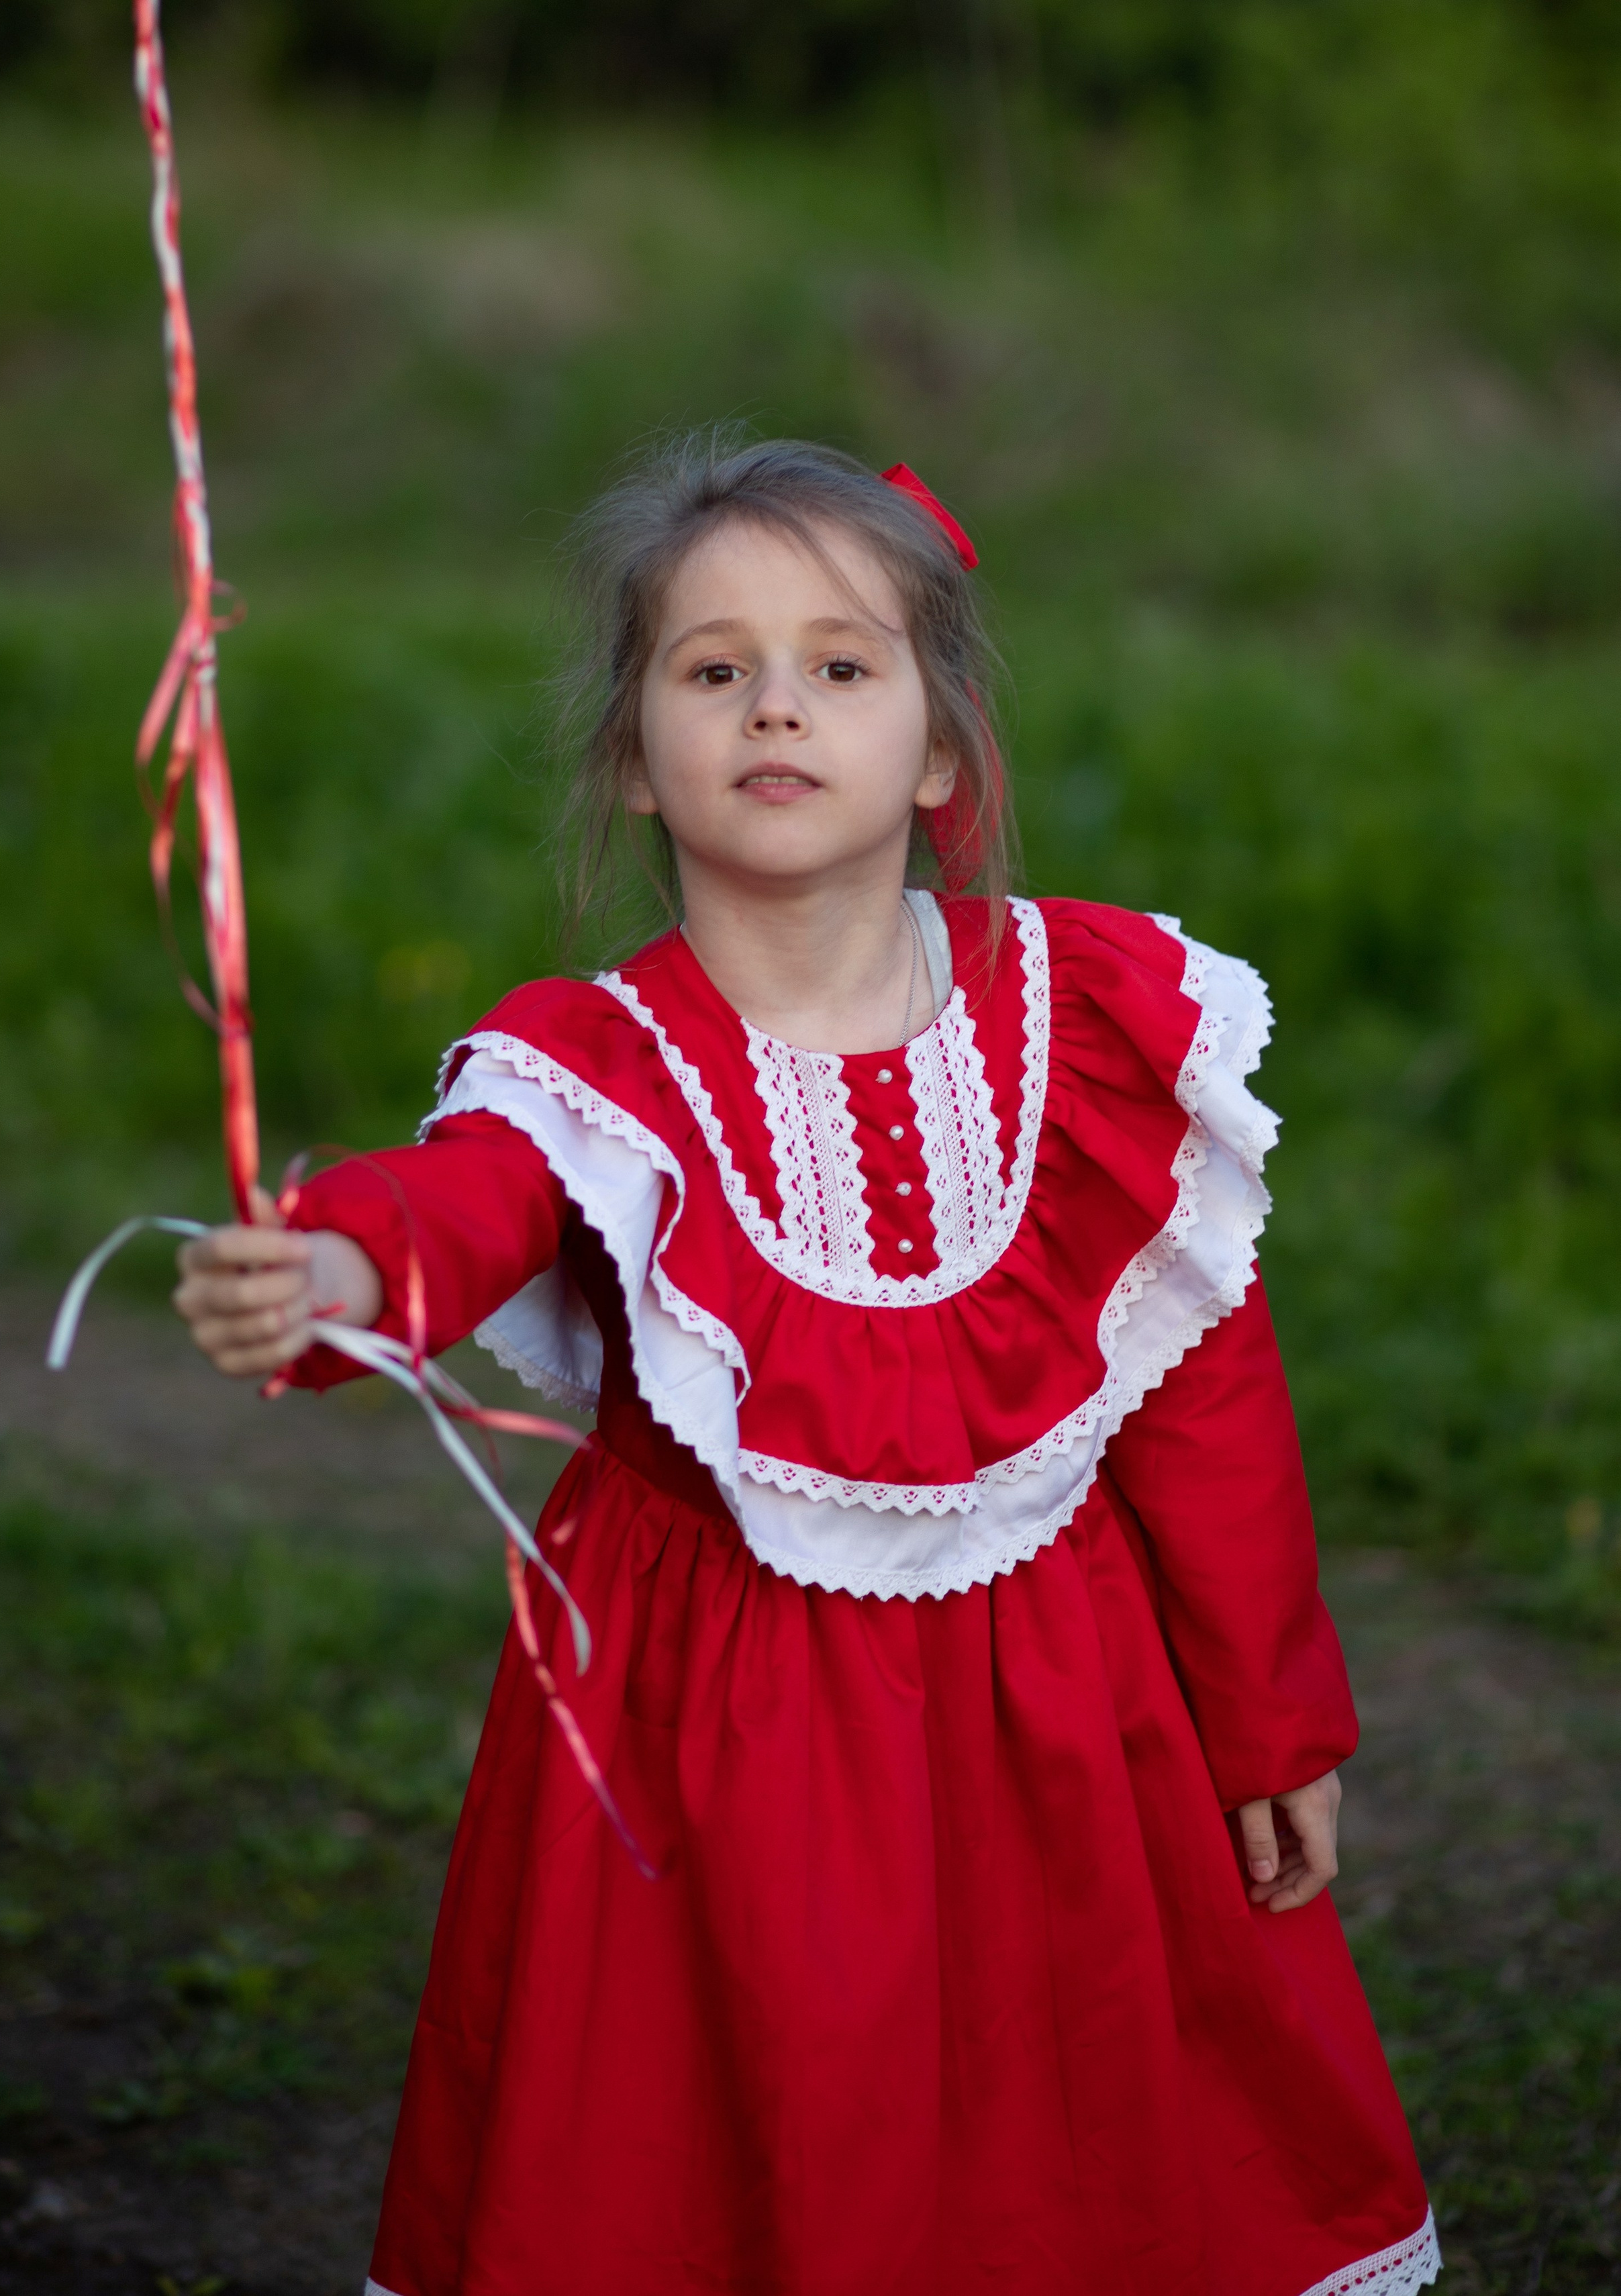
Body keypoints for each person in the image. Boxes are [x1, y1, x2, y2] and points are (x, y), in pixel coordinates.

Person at [173, 435, 1439, 2296]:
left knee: (1079, 2115)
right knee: (748, 2129)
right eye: (713, 668)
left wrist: (1273, 1720)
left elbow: (1205, 1399)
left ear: (937, 750)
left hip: (1063, 1727)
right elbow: (475, 1196)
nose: (778, 703)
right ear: (635, 750)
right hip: (717, 1750)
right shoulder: (598, 1062)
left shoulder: (1083, 1024)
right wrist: (344, 1258)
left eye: (840, 664)